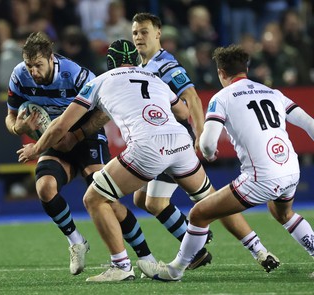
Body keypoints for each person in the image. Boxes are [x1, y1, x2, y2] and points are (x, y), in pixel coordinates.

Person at [17, 39, 210, 282]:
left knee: (95, 198)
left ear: (109, 62)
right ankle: (253, 247)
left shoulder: (100, 80)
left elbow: (60, 125)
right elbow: (183, 111)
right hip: (181, 142)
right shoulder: (154, 77)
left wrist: (36, 148)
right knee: (209, 201)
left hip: (148, 147)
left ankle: (121, 265)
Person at [137, 44, 314, 281]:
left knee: (199, 213)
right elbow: (310, 124)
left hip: (261, 178)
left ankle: (175, 270)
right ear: (246, 69)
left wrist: (209, 153)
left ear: (221, 72)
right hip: (291, 169)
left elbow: (208, 142)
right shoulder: (273, 93)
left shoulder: (221, 97)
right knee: (283, 213)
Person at [129, 12, 276, 270]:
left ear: (158, 33)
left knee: (208, 201)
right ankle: (197, 245)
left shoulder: (166, 64)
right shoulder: (143, 67)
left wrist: (199, 134)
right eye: (135, 33)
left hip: (174, 144)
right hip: (158, 143)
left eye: (144, 31)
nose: (138, 37)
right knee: (144, 201)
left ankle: (257, 249)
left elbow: (193, 98)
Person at [5, 32, 153, 276]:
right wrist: (17, 128)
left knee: (107, 200)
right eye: (29, 66)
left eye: (38, 65)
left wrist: (76, 136)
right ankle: (76, 241)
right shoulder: (19, 75)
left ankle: (146, 256)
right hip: (52, 136)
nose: (33, 72)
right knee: (44, 188)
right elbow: (10, 117)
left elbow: (105, 111)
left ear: (51, 58)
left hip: (86, 137)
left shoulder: (76, 74)